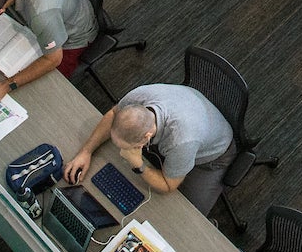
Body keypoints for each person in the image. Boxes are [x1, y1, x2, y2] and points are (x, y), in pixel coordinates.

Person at [64, 82, 236, 212]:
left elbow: (168, 185)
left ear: (146, 137)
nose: (122, 152)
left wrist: (138, 165)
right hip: (193, 111)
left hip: (213, 157)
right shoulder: (138, 97)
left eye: (128, 147)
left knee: (187, 211)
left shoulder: (181, 141)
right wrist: (86, 152)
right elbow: (113, 114)